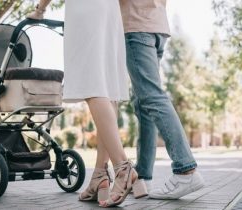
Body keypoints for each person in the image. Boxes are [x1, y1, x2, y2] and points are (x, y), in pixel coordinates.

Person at [27, 0, 147, 207]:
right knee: (108, 88)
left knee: (92, 84)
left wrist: (40, 9)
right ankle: (100, 175)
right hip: (110, 11)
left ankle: (123, 169)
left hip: (86, 9)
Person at [119, 0, 205, 199]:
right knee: (143, 103)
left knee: (152, 97)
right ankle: (143, 176)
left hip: (136, 23)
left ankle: (185, 170)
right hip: (156, 25)